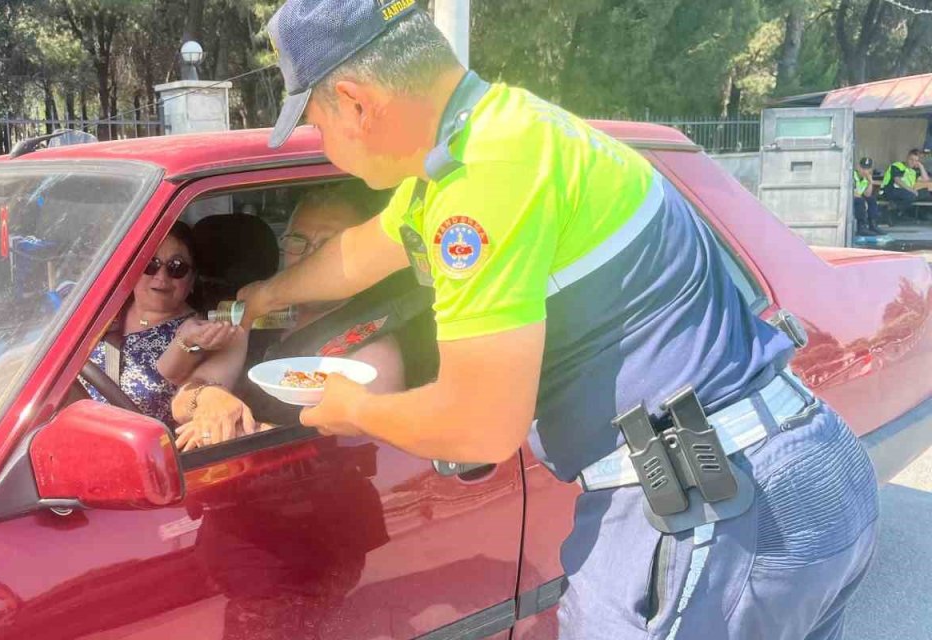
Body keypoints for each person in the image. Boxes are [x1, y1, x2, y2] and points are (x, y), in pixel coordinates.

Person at [238, 2, 878, 638]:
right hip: (792, 472)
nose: (324, 147)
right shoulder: (497, 134)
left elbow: (479, 428)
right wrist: (263, 296)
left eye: (317, 124)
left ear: (356, 103)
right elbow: (363, 252)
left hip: (714, 513)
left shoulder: (480, 184)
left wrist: (354, 409)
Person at [171, 183, 412, 450]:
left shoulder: (371, 347)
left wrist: (245, 430)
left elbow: (366, 448)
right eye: (298, 240)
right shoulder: (255, 313)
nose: (310, 256)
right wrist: (209, 398)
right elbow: (182, 402)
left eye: (329, 245)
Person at [82, 222, 247, 426]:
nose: (161, 277)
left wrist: (185, 342)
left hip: (137, 444)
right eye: (150, 263)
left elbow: (186, 395)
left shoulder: (204, 332)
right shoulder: (98, 311)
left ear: (192, 279)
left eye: (176, 267)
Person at [882, 148, 927, 220]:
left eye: (916, 161)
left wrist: (921, 166)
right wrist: (912, 190)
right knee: (911, 196)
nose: (913, 162)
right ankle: (892, 209)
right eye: (911, 159)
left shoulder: (913, 171)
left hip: (904, 192)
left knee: (925, 192)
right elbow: (897, 180)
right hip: (890, 190)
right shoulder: (897, 165)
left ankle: (896, 207)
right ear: (907, 158)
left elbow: (925, 179)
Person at [854, 157, 881, 236]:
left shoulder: (866, 178)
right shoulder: (853, 175)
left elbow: (867, 194)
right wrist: (863, 199)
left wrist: (870, 182)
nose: (865, 171)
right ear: (858, 167)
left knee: (871, 199)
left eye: (867, 169)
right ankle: (861, 227)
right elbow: (850, 192)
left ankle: (872, 225)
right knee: (860, 201)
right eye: (863, 168)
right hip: (849, 199)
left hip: (858, 198)